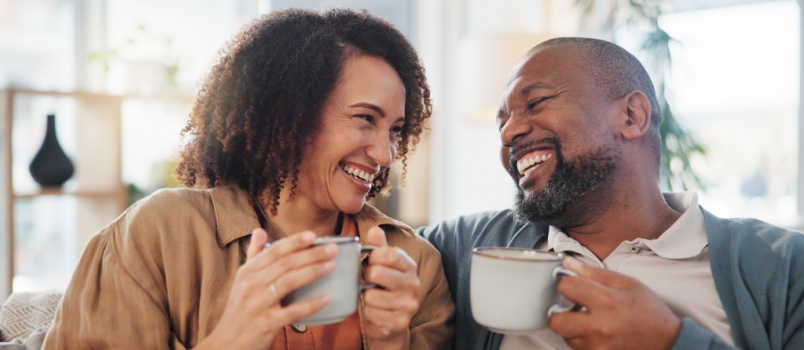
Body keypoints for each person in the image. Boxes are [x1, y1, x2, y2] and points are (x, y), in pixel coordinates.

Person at [42, 8, 454, 350]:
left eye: (395, 130)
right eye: (366, 118)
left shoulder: (414, 264)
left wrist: (391, 342)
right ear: (291, 114)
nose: (385, 154)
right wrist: (231, 339)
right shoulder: (157, 235)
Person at [419, 37, 804, 350]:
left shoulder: (783, 266)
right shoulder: (466, 246)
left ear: (632, 116)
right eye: (501, 123)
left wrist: (671, 342)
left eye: (535, 102)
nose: (507, 134)